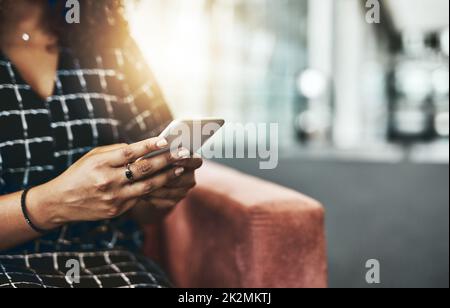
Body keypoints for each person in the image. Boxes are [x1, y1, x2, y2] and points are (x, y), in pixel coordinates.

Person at [0, 0, 202, 288]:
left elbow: (143, 210)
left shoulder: (111, 44)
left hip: (112, 265)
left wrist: (158, 191)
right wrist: (52, 203)